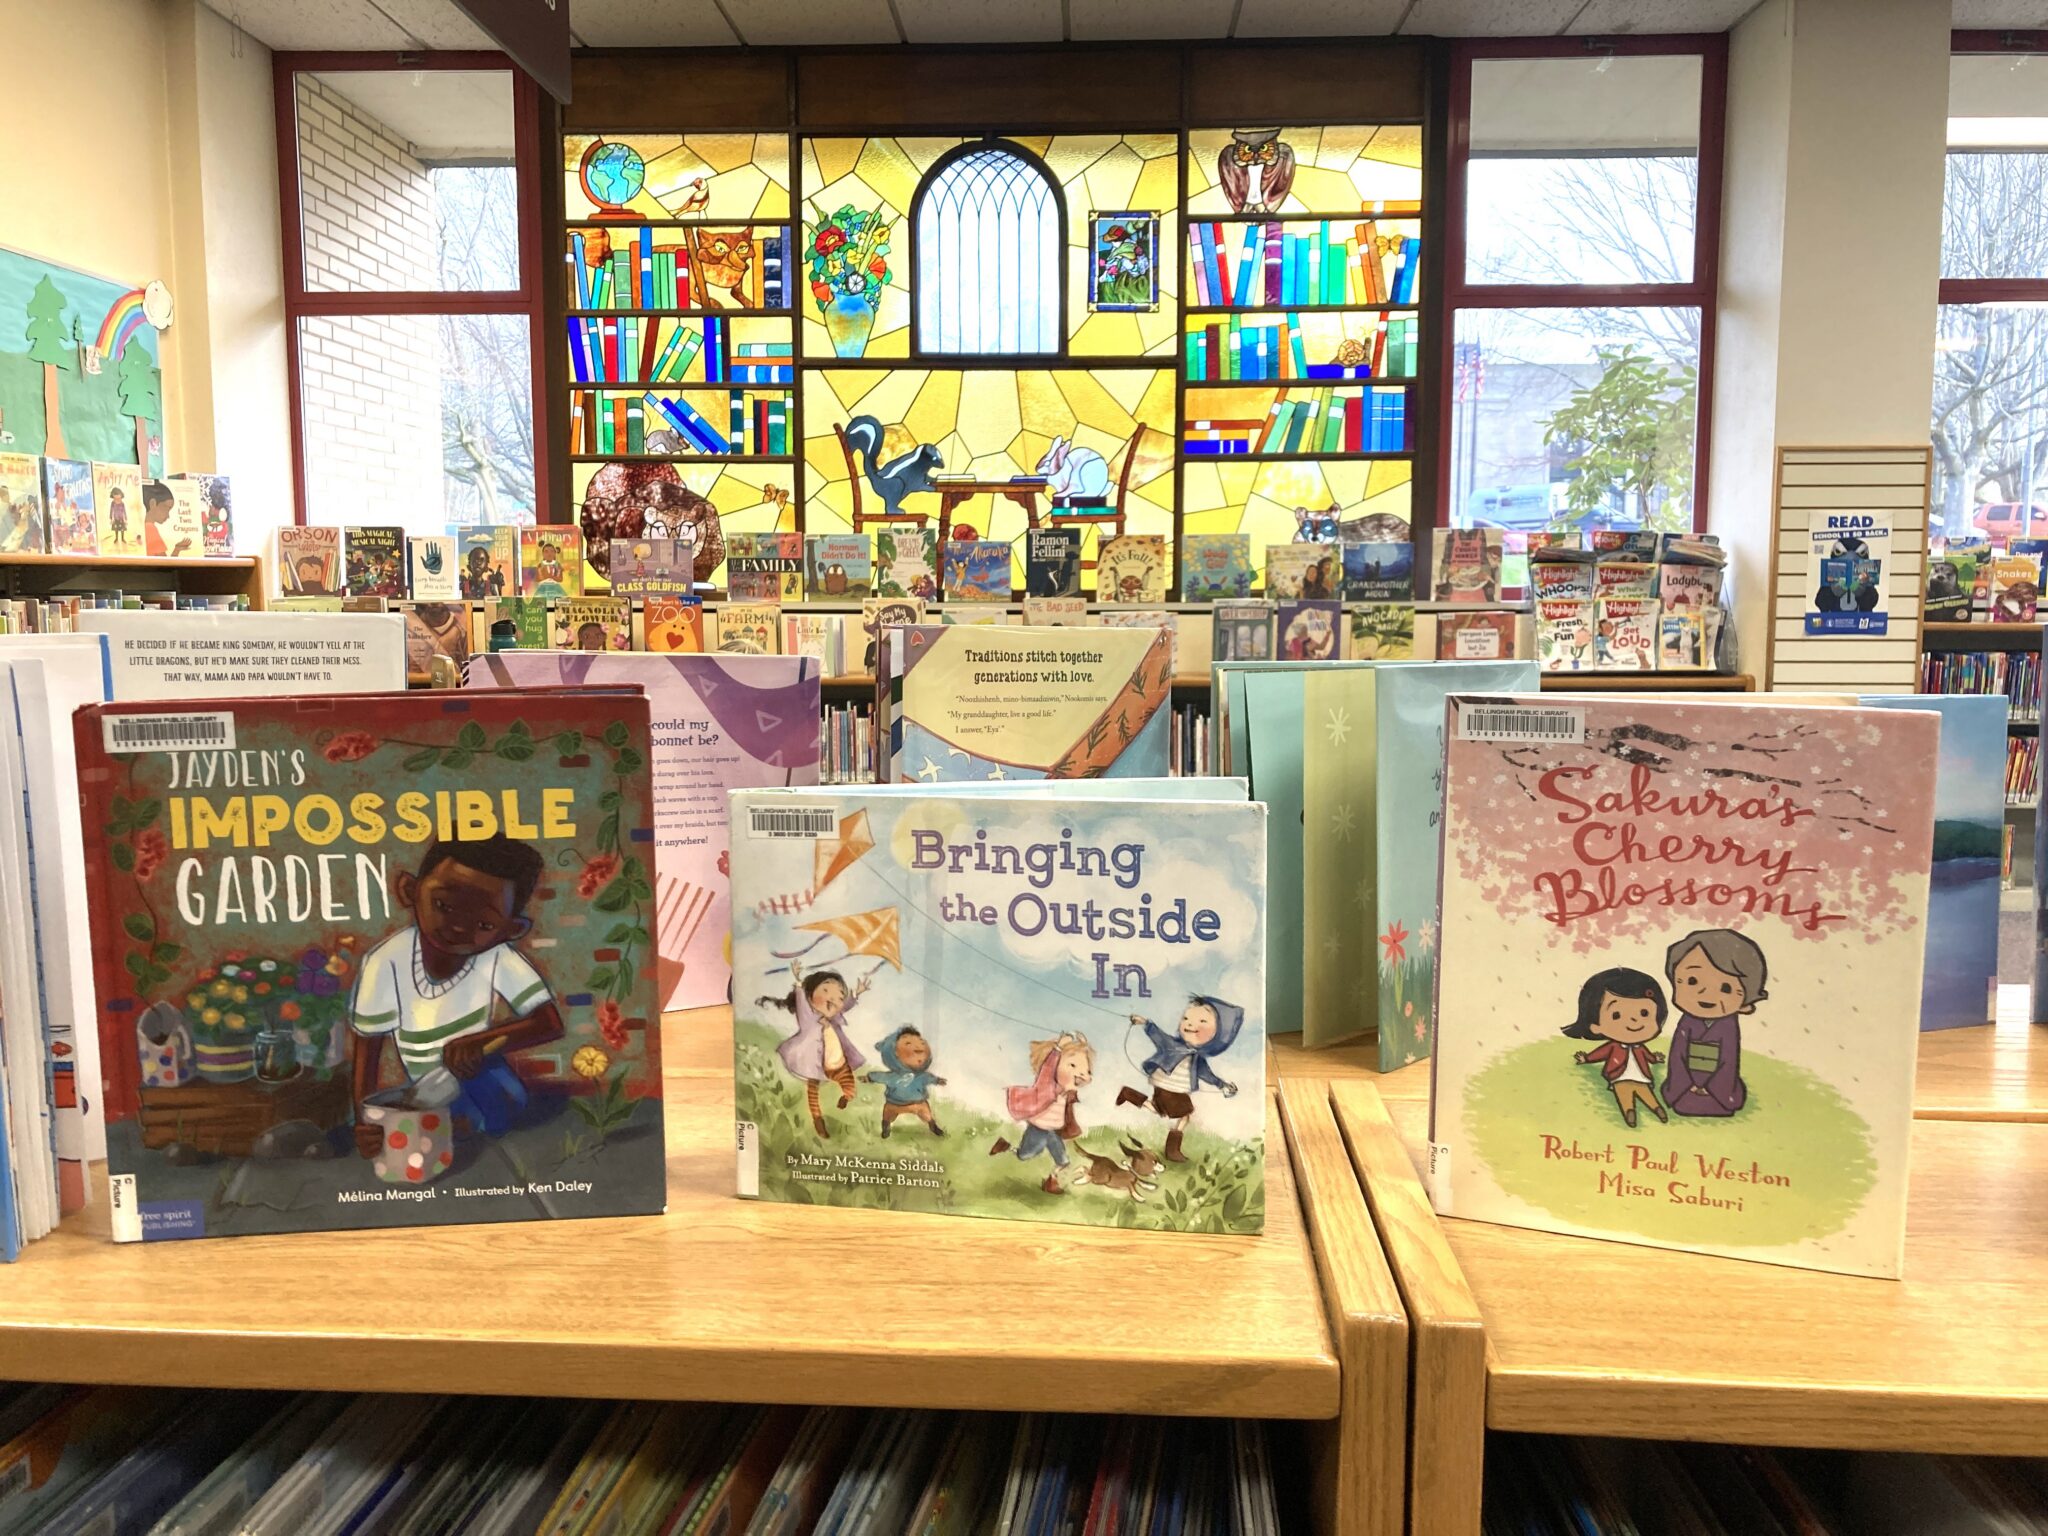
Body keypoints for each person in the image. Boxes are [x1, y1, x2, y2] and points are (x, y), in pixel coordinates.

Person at [349, 835, 561, 1154]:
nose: (458, 927)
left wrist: (476, 1043)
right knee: (437, 1117)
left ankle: (462, 1125)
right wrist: (363, 1120)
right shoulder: (386, 961)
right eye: (444, 905)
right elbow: (369, 1046)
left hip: (479, 1068)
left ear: (511, 930)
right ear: (410, 891)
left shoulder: (497, 956)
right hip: (425, 1088)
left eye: (483, 923)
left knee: (508, 1103)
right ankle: (456, 1124)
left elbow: (549, 1023)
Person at [1116, 996, 1243, 1162]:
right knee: (1184, 1116)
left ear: (1216, 1032)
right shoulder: (1172, 1045)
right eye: (1186, 1019)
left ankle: (1129, 1094)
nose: (1190, 1024)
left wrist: (1221, 1084)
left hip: (1173, 1088)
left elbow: (1206, 1074)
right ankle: (1172, 1151)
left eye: (1202, 1021)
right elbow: (1158, 1035)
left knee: (1159, 1110)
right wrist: (1144, 1022)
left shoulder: (1197, 1057)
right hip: (1168, 1087)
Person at [1662, 929, 1767, 1118]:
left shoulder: (1728, 1027)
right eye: (1692, 981)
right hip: (1687, 1085)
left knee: (1717, 1101)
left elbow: (1729, 1060)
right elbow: (1678, 1054)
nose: (1706, 994)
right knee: (1685, 1102)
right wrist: (1688, 1084)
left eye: (1726, 988)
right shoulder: (1687, 1022)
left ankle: (1716, 1097)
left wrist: (1709, 1087)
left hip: (1716, 1091)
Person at [762, 965, 868, 1138]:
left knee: (850, 1090)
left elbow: (844, 1007)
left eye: (839, 996)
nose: (833, 999)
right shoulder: (809, 1019)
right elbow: (801, 1003)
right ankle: (819, 1124)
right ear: (810, 996)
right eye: (826, 990)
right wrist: (798, 983)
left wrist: (855, 994)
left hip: (839, 1064)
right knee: (813, 1097)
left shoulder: (833, 1017)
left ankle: (845, 1099)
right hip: (814, 1066)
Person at [1561, 967, 1669, 1129]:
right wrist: (1586, 1059)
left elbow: (1647, 1055)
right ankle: (1629, 1113)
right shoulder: (1613, 1046)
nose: (1634, 1020)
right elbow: (1601, 1053)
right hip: (1619, 1075)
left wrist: (1655, 1059)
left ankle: (1657, 1109)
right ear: (1595, 1025)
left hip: (1641, 1075)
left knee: (1645, 1092)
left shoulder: (1640, 1046)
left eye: (1644, 1013)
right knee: (1624, 1092)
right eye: (1616, 1015)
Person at [990, 1033, 1093, 1194]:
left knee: (1063, 1161)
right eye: (1072, 1066)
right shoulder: (1047, 1084)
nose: (1079, 1074)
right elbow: (1048, 1068)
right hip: (1038, 1129)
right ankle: (1005, 1146)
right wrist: (1057, 1049)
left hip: (1052, 1132)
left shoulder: (1066, 1090)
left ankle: (1051, 1182)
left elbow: (1081, 1078)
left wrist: (1083, 1047)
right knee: (1024, 1155)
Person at [864, 1026, 946, 1138]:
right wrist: (869, 1078)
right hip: (894, 1104)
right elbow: (881, 1076)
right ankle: (886, 1129)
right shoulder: (893, 1076)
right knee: (887, 1115)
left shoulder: (921, 1076)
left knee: (927, 1115)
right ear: (894, 1053)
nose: (917, 1047)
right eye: (908, 1044)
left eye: (921, 1043)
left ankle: (933, 1127)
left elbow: (928, 1078)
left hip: (918, 1104)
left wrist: (937, 1080)